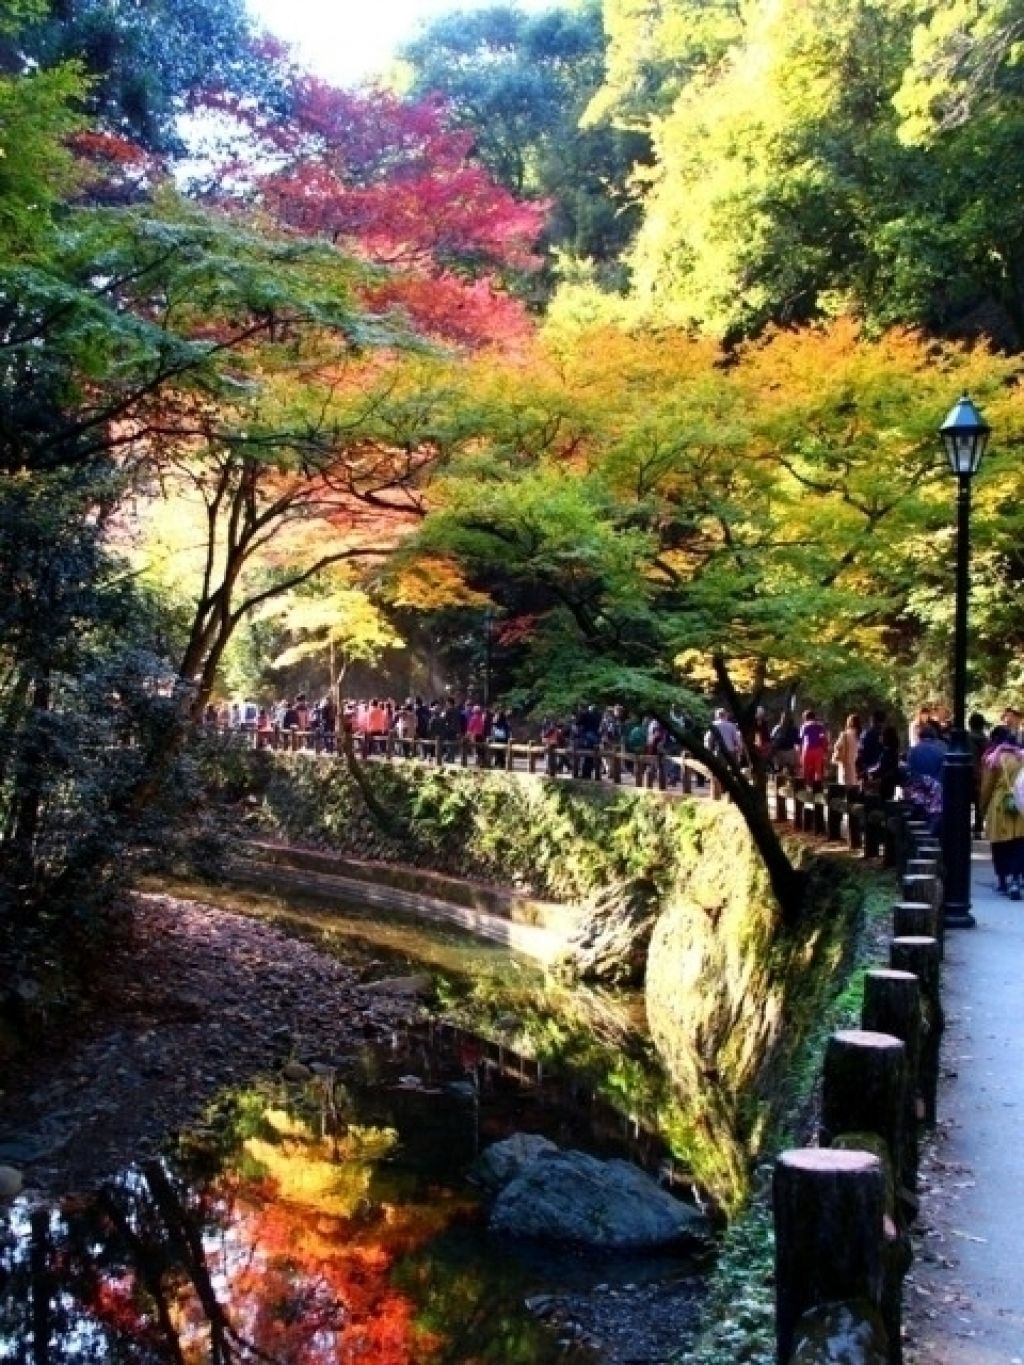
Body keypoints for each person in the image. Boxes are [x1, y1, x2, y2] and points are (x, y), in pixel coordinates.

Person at [979, 726, 1024, 898]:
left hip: (999, 805)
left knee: (999, 845)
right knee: (1019, 843)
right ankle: (1016, 879)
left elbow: (987, 787)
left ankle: (1003, 881)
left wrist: (982, 807)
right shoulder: (1021, 758)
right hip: (1020, 803)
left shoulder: (994, 759)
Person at [798, 709, 829, 785]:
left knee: (806, 770)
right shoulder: (820, 726)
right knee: (818, 771)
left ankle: (806, 787)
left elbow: (800, 740)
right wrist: (825, 751)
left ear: (805, 717)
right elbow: (823, 739)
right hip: (818, 750)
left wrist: (799, 753)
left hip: (807, 750)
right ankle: (817, 789)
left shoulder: (804, 726)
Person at [832, 713, 862, 788]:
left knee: (844, 786)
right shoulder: (858, 735)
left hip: (844, 763)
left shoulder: (845, 735)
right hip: (853, 765)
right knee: (852, 785)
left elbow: (837, 746)